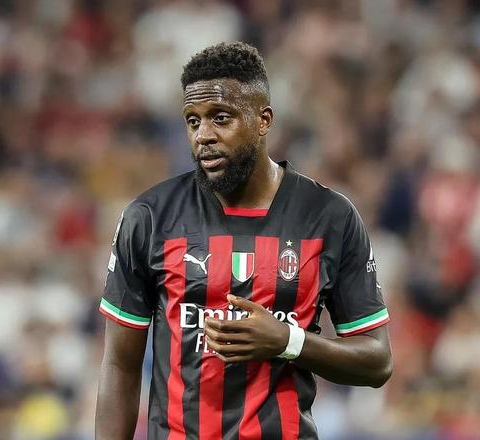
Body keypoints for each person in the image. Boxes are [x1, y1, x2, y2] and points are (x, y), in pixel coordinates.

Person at [95, 42, 392, 440]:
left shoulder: (329, 217)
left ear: (263, 120)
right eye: (193, 121)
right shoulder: (149, 218)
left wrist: (288, 341)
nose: (204, 135)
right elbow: (120, 365)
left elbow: (377, 361)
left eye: (221, 118)